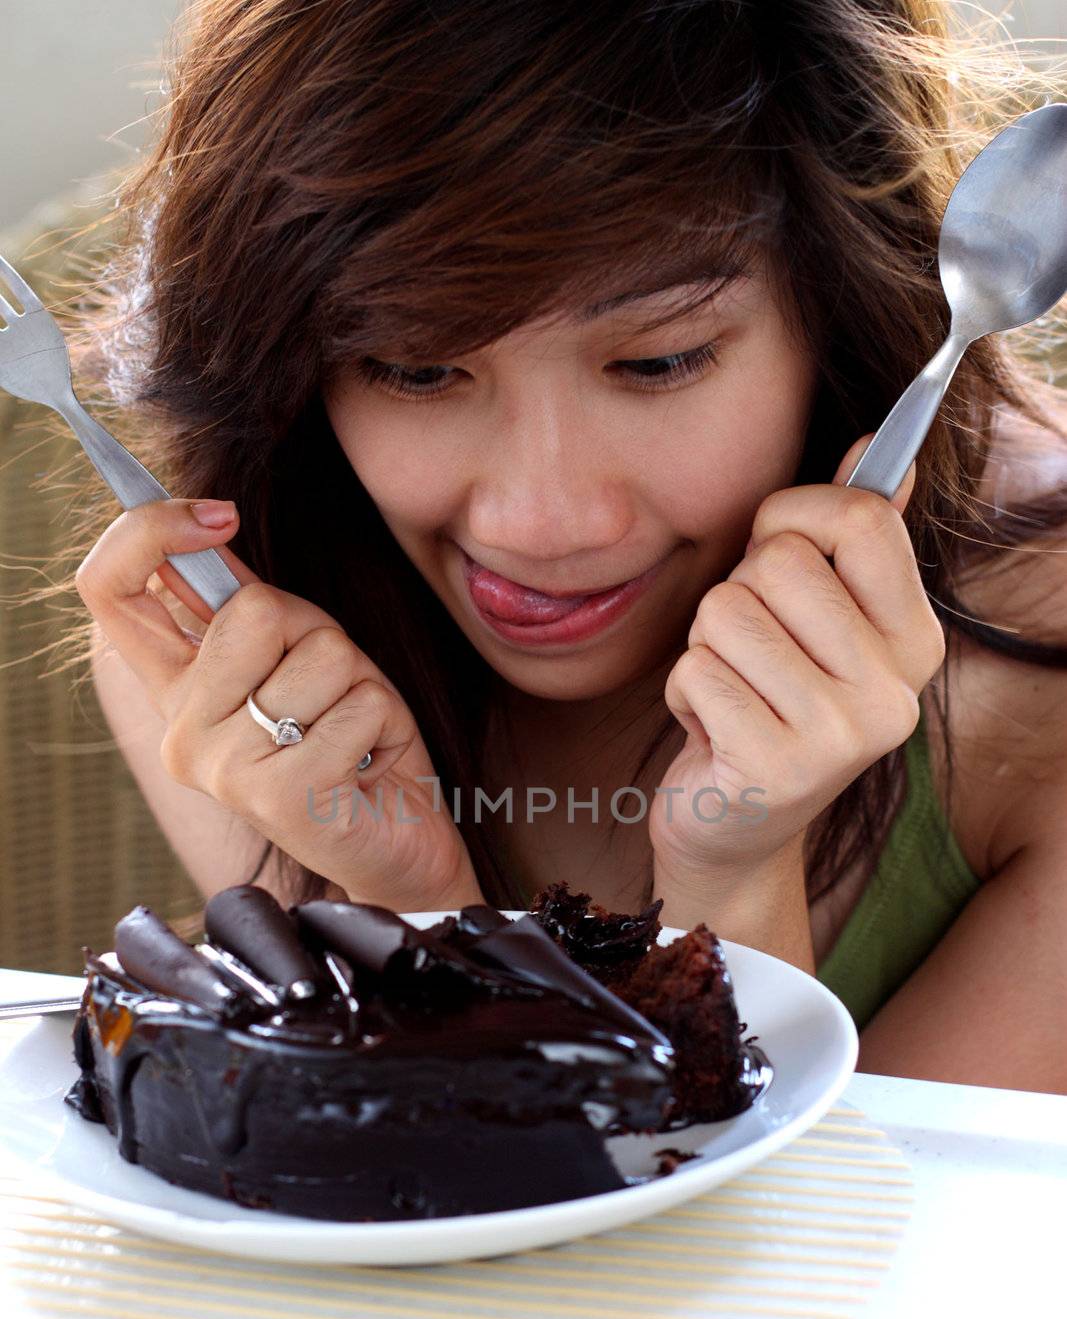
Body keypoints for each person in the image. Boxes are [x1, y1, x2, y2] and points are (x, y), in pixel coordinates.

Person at [34, 1, 1067, 1088]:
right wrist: (419, 912)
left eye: (658, 362)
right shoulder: (229, 657)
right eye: (418, 370)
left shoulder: (1039, 700)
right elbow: (467, 1215)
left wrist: (735, 880)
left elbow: (833, 1256)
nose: (540, 521)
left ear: (844, 315)